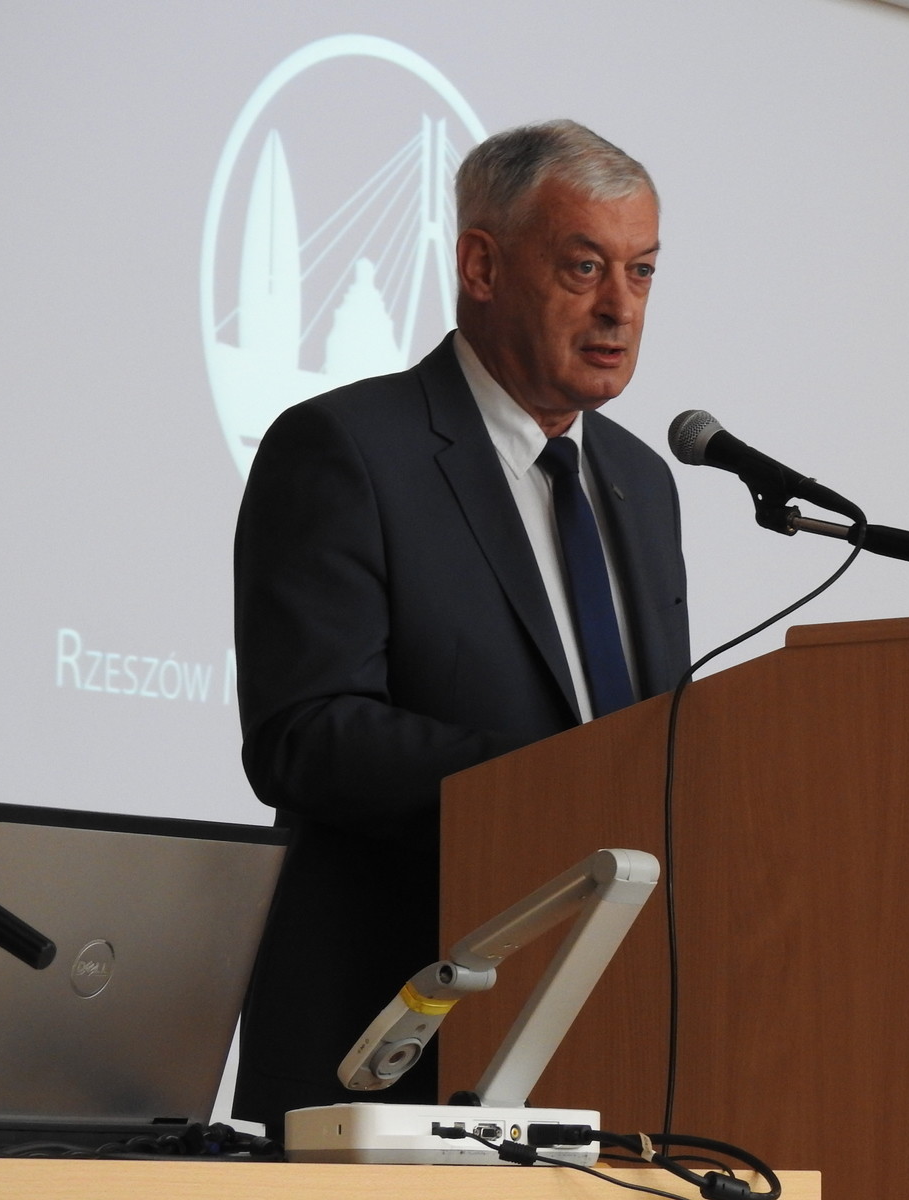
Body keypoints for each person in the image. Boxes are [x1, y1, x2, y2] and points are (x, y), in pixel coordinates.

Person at [231, 120, 690, 1136]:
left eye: (642, 272)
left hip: (606, 1025)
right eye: (584, 267)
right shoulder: (347, 449)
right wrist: (561, 783)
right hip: (394, 1033)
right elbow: (304, 734)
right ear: (481, 266)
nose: (620, 306)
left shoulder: (641, 483)